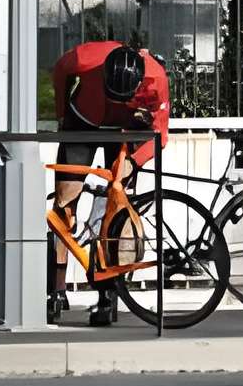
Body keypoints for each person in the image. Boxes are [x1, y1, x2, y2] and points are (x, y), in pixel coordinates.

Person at [45, 36, 169, 321]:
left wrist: (134, 163)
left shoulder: (156, 77)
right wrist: (62, 114)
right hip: (84, 120)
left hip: (125, 127)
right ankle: (56, 290)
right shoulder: (86, 58)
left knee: (116, 211)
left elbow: (160, 135)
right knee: (64, 206)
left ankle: (108, 295)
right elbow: (61, 70)